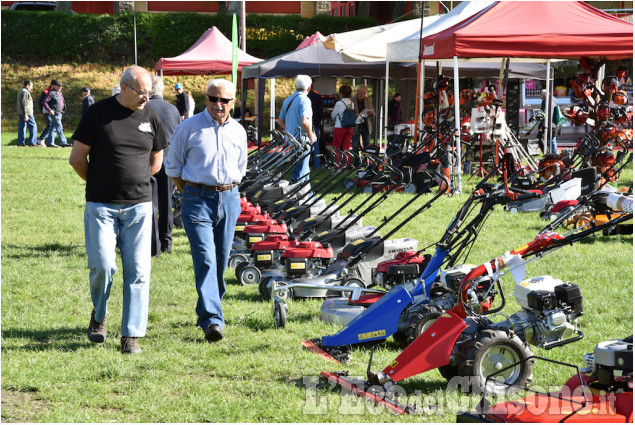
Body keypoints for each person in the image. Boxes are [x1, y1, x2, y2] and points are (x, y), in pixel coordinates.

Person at [68, 65, 168, 354]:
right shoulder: (97, 114)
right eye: (141, 92)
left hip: (139, 207)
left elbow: (156, 161)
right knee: (103, 266)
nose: (146, 98)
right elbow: (77, 159)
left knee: (138, 271)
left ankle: (131, 334)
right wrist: (101, 183)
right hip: (101, 206)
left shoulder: (151, 116)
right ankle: (99, 315)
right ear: (123, 87)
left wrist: (132, 185)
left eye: (149, 92)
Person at [165, 78, 247, 343]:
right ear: (205, 99)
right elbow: (174, 167)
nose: (218, 105)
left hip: (230, 198)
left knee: (221, 260)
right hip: (196, 198)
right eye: (213, 99)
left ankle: (206, 309)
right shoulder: (188, 127)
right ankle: (213, 319)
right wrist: (193, 190)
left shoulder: (239, 131)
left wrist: (226, 191)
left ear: (233, 102)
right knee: (206, 258)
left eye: (224, 100)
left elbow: (241, 167)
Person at [146, 75, 181, 256]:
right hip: (168, 159)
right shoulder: (173, 109)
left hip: (148, 160)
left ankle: (154, 246)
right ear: (162, 90)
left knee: (150, 203)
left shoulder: (143, 108)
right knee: (166, 203)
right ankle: (166, 242)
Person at [277, 75, 317, 183]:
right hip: (302, 141)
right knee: (300, 171)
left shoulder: (287, 100)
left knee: (304, 169)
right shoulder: (305, 100)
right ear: (309, 88)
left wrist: (290, 130)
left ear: (295, 86)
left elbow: (280, 121)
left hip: (290, 141)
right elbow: (304, 121)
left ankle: (307, 196)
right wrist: (311, 135)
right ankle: (294, 197)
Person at [42, 79, 69, 147]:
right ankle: (64, 142)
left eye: (61, 86)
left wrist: (64, 110)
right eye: (58, 86)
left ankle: (50, 143)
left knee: (53, 128)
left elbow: (62, 102)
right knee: (59, 127)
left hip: (60, 113)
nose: (60, 87)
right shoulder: (51, 93)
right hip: (55, 113)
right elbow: (44, 101)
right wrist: (50, 110)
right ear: (54, 86)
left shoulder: (60, 93)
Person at [330, 84, 354, 151]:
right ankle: (347, 161)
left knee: (336, 146)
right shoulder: (352, 103)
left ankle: (337, 161)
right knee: (346, 146)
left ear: (341, 93)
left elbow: (333, 116)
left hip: (339, 127)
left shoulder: (339, 103)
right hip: (349, 127)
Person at [352, 84, 374, 153]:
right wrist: (355, 115)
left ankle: (366, 161)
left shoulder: (368, 100)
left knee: (367, 144)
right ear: (357, 92)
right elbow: (348, 113)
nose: (363, 94)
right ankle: (356, 161)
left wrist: (372, 113)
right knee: (355, 145)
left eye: (364, 93)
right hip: (356, 125)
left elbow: (373, 110)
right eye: (361, 93)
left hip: (365, 124)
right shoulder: (352, 100)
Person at [16, 80, 38, 147]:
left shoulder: (21, 91)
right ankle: (33, 142)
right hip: (27, 112)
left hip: (21, 112)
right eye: (31, 86)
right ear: (27, 85)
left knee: (22, 127)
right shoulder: (25, 92)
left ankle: (20, 143)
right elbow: (24, 103)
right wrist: (26, 114)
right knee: (33, 126)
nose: (32, 88)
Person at [537, 89, 559, 154]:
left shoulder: (545, 102)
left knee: (540, 138)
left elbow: (543, 115)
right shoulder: (552, 101)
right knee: (552, 139)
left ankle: (547, 153)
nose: (540, 96)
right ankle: (555, 153)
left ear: (545, 95)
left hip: (548, 124)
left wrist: (540, 126)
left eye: (541, 94)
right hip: (554, 124)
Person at [307, 86, 323, 167]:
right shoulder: (317, 96)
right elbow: (320, 112)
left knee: (304, 144)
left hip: (305, 122)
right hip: (315, 122)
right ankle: (316, 165)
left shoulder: (302, 96)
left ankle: (305, 164)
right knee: (316, 145)